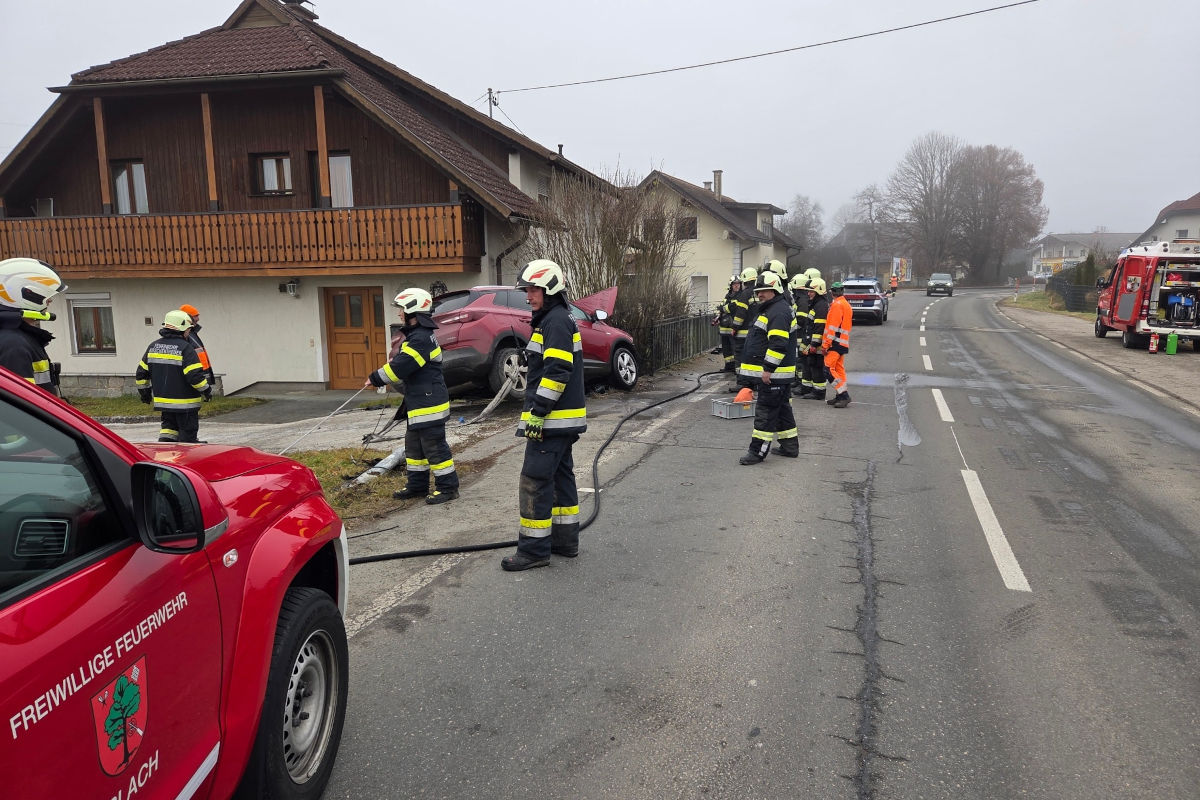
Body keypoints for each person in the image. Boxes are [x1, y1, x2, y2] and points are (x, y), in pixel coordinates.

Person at [501, 259, 587, 571]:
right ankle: (565, 541)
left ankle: (534, 550)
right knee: (561, 477)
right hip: (562, 419)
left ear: (549, 289)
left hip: (551, 420)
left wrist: (538, 412)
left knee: (535, 480)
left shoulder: (555, 322)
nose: (528, 296)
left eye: (533, 289)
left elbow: (558, 372)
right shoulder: (556, 319)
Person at [366, 288, 459, 505]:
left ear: (412, 312)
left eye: (401, 310)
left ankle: (448, 488)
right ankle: (417, 486)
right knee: (414, 447)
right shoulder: (418, 336)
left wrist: (375, 378)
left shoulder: (420, 340)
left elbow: (401, 367)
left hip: (429, 403)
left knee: (434, 447)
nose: (399, 314)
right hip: (420, 402)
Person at [737, 270, 798, 464]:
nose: (760, 294)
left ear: (776, 290)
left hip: (774, 375)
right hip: (777, 375)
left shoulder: (778, 311)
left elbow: (778, 343)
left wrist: (768, 370)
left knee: (766, 413)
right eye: (759, 291)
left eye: (765, 290)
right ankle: (790, 446)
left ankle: (757, 452)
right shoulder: (773, 308)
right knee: (781, 410)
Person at [135, 310, 212, 442]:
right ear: (182, 329)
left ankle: (165, 459)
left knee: (168, 432)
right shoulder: (186, 348)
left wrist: (145, 393)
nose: (189, 332)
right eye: (188, 329)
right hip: (186, 404)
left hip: (165, 404)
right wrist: (206, 390)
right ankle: (185, 459)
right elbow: (194, 376)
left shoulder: (153, 346)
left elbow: (141, 374)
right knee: (187, 436)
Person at [0, 258, 67, 396]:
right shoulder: (14, 345)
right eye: (47, 295)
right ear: (26, 294)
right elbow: (22, 404)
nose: (50, 301)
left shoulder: (18, 338)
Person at [821, 281, 854, 409]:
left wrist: (825, 345)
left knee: (827, 369)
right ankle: (840, 396)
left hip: (834, 343)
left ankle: (843, 395)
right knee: (839, 370)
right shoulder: (846, 304)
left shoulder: (837, 305)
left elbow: (832, 327)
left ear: (832, 292)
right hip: (842, 343)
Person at [728, 266, 758, 392]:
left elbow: (740, 314)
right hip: (757, 332)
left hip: (743, 333)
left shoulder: (745, 294)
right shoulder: (760, 292)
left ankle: (742, 382)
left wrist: (734, 327)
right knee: (754, 357)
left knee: (740, 358)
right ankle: (754, 382)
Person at [800, 277, 830, 400]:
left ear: (818, 291)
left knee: (817, 366)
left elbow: (819, 327)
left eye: (811, 291)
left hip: (818, 345)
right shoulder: (817, 304)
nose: (809, 293)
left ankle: (819, 392)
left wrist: (814, 344)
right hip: (814, 343)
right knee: (812, 365)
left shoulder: (821, 306)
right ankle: (813, 389)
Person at [179, 303, 215, 387]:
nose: (198, 319)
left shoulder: (192, 333)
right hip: (194, 377)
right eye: (195, 316)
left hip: (200, 376)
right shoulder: (185, 335)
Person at [716, 275, 741, 373]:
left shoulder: (740, 295)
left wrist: (723, 309)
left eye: (738, 284)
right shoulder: (727, 296)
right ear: (731, 285)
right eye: (734, 284)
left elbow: (733, 307)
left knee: (735, 348)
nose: (736, 286)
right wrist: (718, 316)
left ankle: (736, 367)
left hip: (733, 327)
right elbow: (722, 307)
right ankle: (729, 366)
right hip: (724, 328)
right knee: (726, 349)